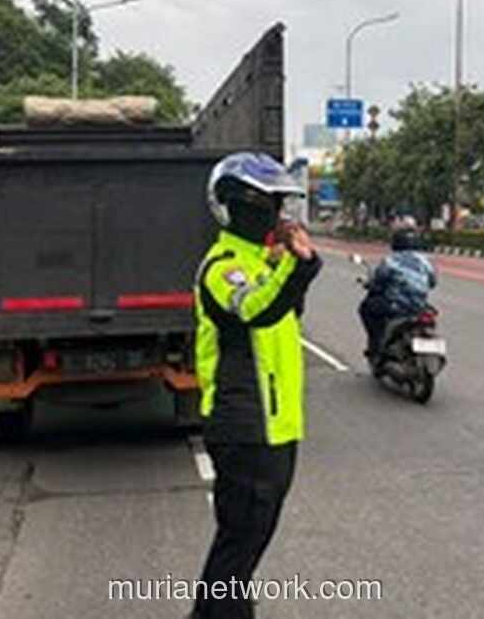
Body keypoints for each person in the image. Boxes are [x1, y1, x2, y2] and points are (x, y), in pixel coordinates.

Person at [190, 152, 321, 619]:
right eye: (261, 204)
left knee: (242, 551)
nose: (272, 214)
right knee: (237, 549)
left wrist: (289, 264)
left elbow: (285, 312)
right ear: (229, 206)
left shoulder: (264, 261)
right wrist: (298, 266)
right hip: (246, 424)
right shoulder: (224, 266)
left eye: (277, 204)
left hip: (276, 424)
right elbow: (254, 309)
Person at [358, 229, 437, 359]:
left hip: (395, 305)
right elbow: (433, 282)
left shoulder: (391, 261)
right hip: (419, 306)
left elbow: (379, 281)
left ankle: (376, 345)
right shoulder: (425, 262)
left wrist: (370, 285)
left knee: (366, 309)